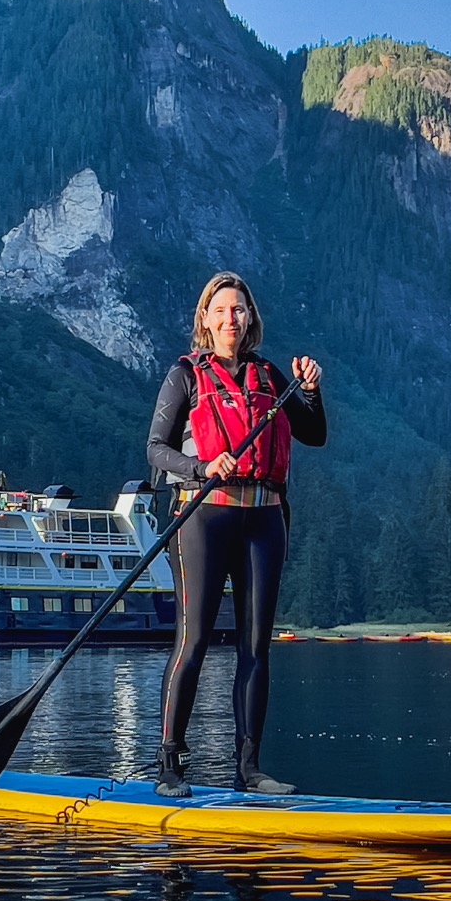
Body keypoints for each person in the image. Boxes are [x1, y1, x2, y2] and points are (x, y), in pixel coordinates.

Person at [146, 271, 326, 797]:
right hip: (204, 516)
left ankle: (249, 770)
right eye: (221, 310)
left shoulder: (271, 377)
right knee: (194, 640)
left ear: (250, 319)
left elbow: (313, 433)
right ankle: (170, 765)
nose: (232, 319)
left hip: (264, 518)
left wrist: (312, 391)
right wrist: (202, 467)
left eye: (240, 310)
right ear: (205, 318)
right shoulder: (184, 376)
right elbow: (156, 451)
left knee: (255, 646)